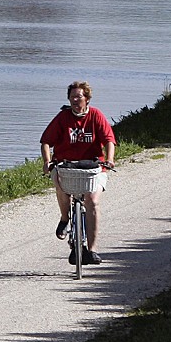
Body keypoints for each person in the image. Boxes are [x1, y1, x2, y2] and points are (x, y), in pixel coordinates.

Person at [40, 80, 116, 266]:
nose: (75, 100)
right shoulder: (63, 117)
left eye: (79, 96)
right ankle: (65, 218)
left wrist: (109, 158)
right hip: (66, 166)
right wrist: (47, 161)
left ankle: (92, 250)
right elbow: (46, 141)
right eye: (72, 96)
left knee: (93, 202)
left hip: (93, 167)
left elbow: (109, 140)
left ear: (87, 99)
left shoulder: (96, 115)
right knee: (59, 182)